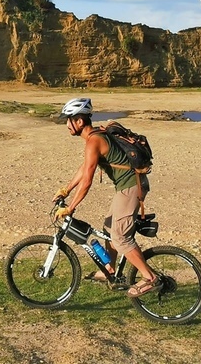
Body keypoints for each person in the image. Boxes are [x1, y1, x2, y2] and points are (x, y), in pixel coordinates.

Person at [54, 97, 160, 297]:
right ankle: (109, 270)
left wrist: (71, 207)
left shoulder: (94, 140)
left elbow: (87, 181)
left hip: (131, 187)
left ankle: (150, 278)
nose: (67, 124)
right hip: (127, 186)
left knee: (120, 237)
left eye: (69, 120)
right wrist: (65, 190)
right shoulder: (95, 136)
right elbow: (85, 167)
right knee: (109, 227)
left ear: (79, 121)